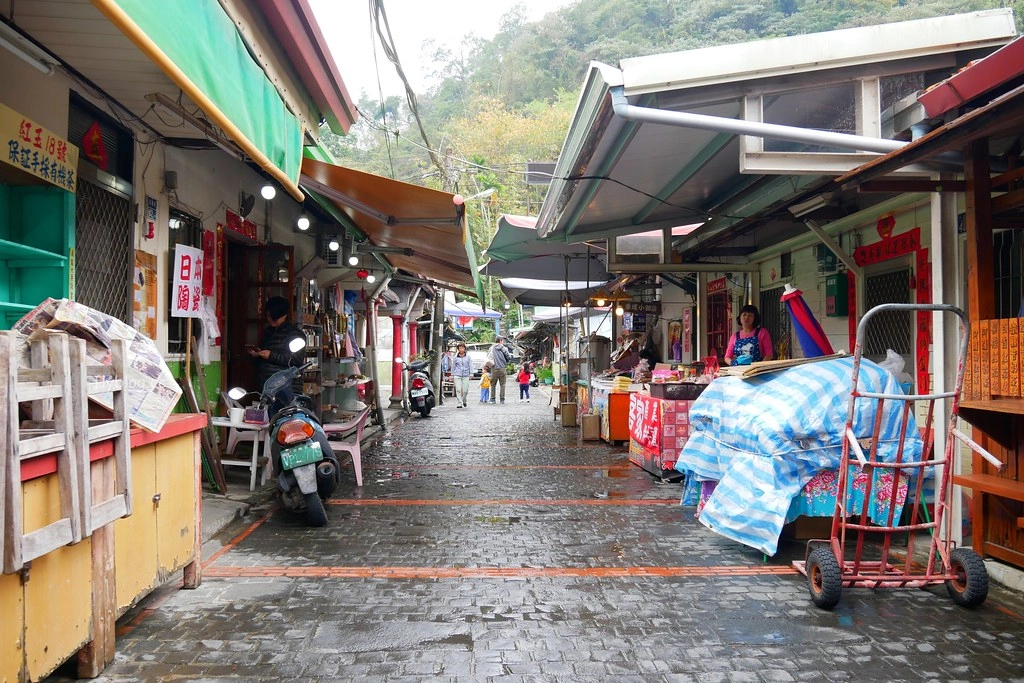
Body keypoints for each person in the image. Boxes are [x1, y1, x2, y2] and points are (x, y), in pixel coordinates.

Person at [248, 295, 306, 388]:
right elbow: (262, 357)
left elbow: (296, 359)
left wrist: (271, 355)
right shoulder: (267, 331)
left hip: (286, 385)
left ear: (284, 315)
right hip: (266, 383)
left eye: (274, 318)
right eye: (268, 316)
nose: (270, 320)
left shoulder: (295, 334)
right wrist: (257, 355)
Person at [488, 336, 511, 404]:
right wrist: (505, 361)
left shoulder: (491, 348)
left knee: (493, 384)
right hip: (502, 368)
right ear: (500, 341)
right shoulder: (504, 348)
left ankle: (492, 399)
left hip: (494, 368)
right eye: (502, 340)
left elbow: (488, 356)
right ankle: (502, 399)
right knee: (502, 384)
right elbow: (508, 356)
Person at [451, 342, 473, 408]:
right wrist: (452, 375)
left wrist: (471, 373)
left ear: (465, 349)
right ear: (458, 349)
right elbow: (453, 367)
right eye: (460, 348)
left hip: (466, 375)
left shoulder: (468, 357)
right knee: (458, 389)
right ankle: (459, 403)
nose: (461, 349)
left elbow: (470, 365)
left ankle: (464, 401)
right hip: (457, 375)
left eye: (462, 348)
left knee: (465, 390)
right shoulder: (455, 357)